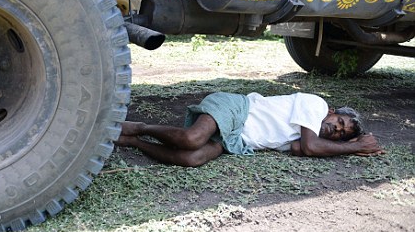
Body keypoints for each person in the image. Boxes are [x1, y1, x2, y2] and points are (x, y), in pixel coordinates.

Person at [115, 92, 385, 167]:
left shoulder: (303, 136)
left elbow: (300, 149)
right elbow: (310, 147)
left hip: (236, 140)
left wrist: (350, 148)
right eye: (339, 123)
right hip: (236, 109)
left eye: (341, 134)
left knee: (192, 157)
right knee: (192, 138)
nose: (335, 130)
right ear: (332, 112)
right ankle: (141, 126)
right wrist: (355, 146)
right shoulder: (316, 105)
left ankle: (135, 142)